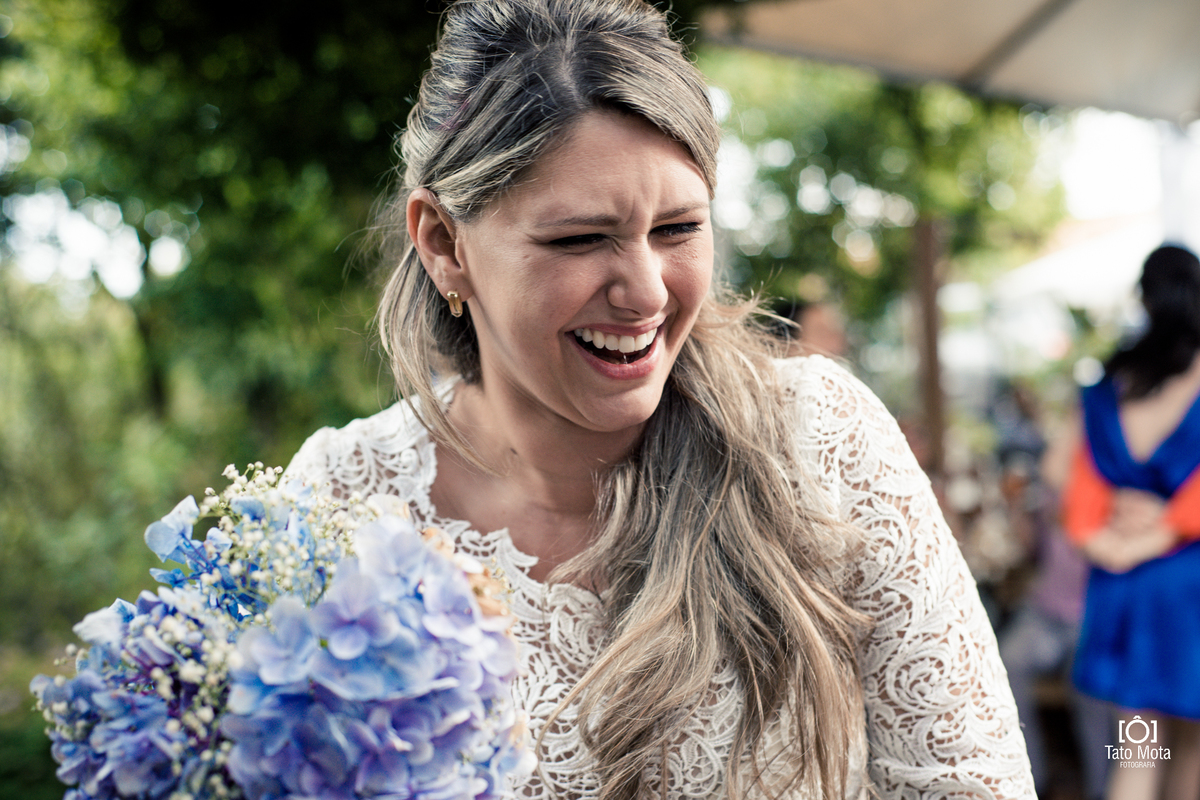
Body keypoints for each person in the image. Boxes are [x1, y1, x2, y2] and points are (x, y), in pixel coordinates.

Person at [285, 1, 1035, 797]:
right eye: (578, 238)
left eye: (678, 228)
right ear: (442, 242)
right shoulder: (341, 501)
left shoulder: (822, 441)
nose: (645, 292)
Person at [1058, 244, 1200, 800]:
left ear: (1144, 299)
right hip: (1186, 589)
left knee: (1138, 750)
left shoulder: (1108, 385)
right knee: (1190, 751)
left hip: (1124, 589)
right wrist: (1168, 525)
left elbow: (1079, 489)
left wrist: (1114, 548)